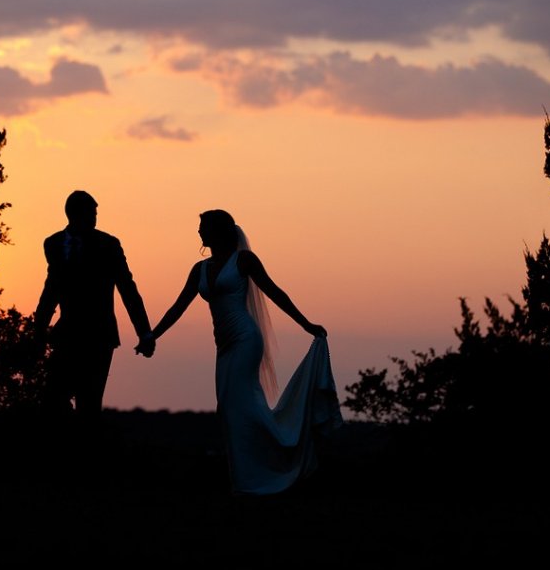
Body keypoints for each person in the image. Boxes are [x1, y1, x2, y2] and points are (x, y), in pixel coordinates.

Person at [138, 209, 342, 495]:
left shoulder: (244, 260)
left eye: (202, 226)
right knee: (229, 409)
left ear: (217, 230)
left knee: (242, 405)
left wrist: (306, 324)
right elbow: (178, 307)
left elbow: (275, 292)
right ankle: (246, 477)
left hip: (246, 339)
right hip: (223, 347)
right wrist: (152, 336)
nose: (198, 231)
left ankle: (275, 461)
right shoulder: (200, 269)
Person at [34, 191, 155, 429]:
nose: (95, 218)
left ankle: (88, 457)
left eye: (95, 213)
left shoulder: (108, 244)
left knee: (89, 405)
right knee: (52, 400)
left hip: (99, 337)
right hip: (66, 335)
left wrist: (145, 332)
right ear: (76, 214)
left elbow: (127, 289)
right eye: (92, 213)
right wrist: (38, 333)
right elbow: (51, 291)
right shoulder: (54, 244)